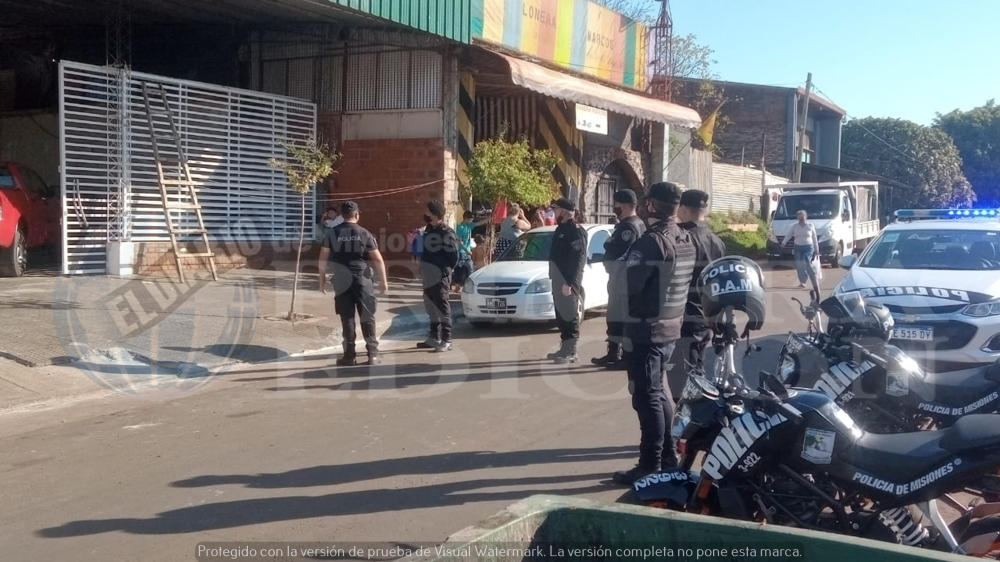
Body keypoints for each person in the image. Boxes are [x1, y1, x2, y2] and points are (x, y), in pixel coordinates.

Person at [613, 182, 696, 485]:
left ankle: (650, 465)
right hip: (670, 328)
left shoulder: (651, 241)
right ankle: (668, 458)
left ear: (649, 205)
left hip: (647, 332)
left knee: (646, 398)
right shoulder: (684, 237)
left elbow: (628, 285)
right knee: (659, 394)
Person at [317, 201, 388, 367]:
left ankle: (349, 356)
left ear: (342, 215)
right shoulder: (364, 233)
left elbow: (322, 258)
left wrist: (321, 280)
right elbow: (377, 259)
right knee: (367, 317)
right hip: (362, 280)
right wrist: (383, 280)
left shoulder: (332, 233)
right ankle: (373, 355)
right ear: (356, 215)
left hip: (341, 281)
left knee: (347, 318)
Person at [591, 189, 646, 369]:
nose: (615, 208)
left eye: (617, 205)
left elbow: (618, 251)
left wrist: (608, 246)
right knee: (616, 317)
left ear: (623, 205)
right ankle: (613, 353)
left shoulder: (629, 226)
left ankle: (621, 355)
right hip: (623, 279)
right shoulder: (637, 224)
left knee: (619, 317)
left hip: (622, 278)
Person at [677, 189, 726, 370]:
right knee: (698, 366)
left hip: (686, 313)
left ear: (684, 208)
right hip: (708, 313)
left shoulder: (682, 237)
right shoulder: (716, 240)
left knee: (685, 375)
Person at [545, 198, 588, 364]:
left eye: (556, 210)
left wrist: (569, 282)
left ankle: (571, 350)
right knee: (561, 315)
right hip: (557, 279)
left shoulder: (575, 231)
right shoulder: (560, 229)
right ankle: (564, 348)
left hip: (567, 281)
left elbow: (578, 259)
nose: (554, 213)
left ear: (563, 211)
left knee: (569, 315)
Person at [417, 200, 461, 352]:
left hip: (440, 275)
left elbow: (454, 257)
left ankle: (446, 339)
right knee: (430, 306)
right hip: (427, 275)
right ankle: (434, 337)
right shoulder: (429, 229)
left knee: (442, 306)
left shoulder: (447, 233)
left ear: (435, 214)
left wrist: (446, 270)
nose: (425, 214)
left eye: (428, 212)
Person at [790, 210, 821, 296]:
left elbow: (814, 238)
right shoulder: (795, 226)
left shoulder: (810, 226)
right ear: (797, 218)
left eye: (802, 218)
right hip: (798, 247)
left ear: (806, 218)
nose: (801, 220)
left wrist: (817, 250)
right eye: (799, 218)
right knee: (799, 265)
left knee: (806, 261)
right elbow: (789, 235)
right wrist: (783, 243)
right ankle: (802, 281)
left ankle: (809, 277)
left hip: (808, 247)